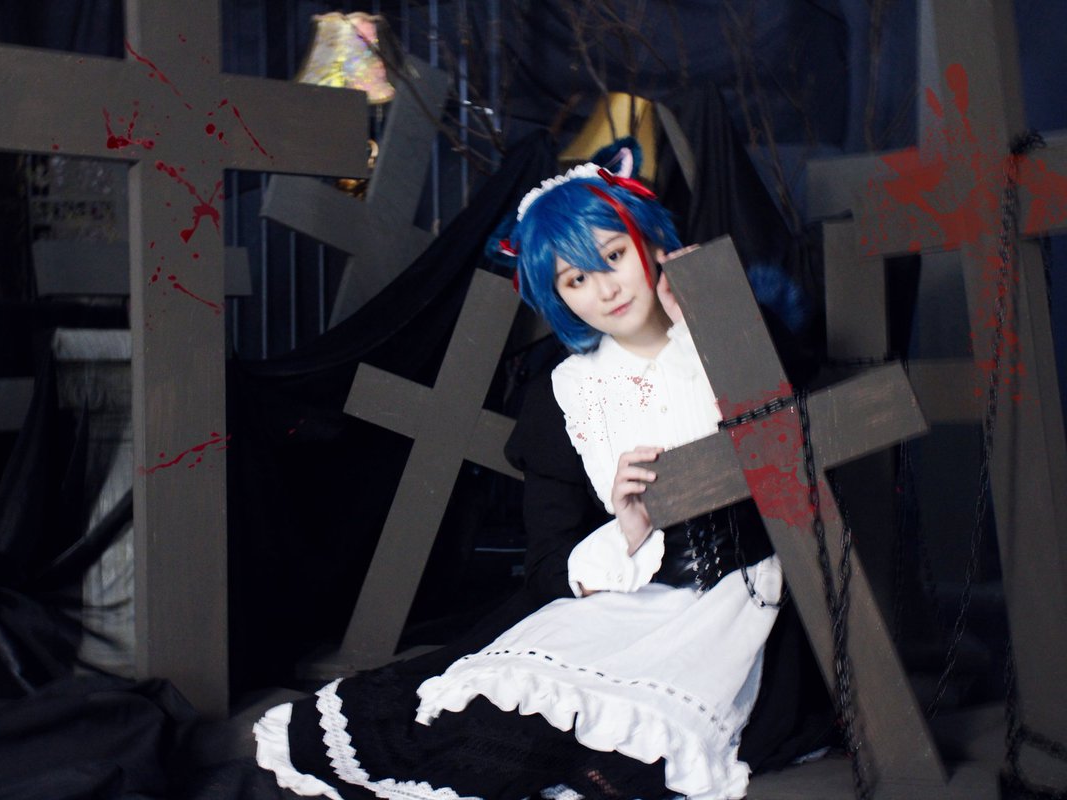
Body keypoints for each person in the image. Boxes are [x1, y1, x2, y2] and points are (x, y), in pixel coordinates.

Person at [254, 159, 828, 800]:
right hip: (623, 599)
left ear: (651, 243)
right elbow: (550, 561)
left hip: (740, 602)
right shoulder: (566, 395)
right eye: (576, 279)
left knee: (629, 754)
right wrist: (626, 529)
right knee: (493, 723)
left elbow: (795, 440)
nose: (605, 289)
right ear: (559, 296)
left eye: (614, 256)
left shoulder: (737, 328)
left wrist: (710, 319)